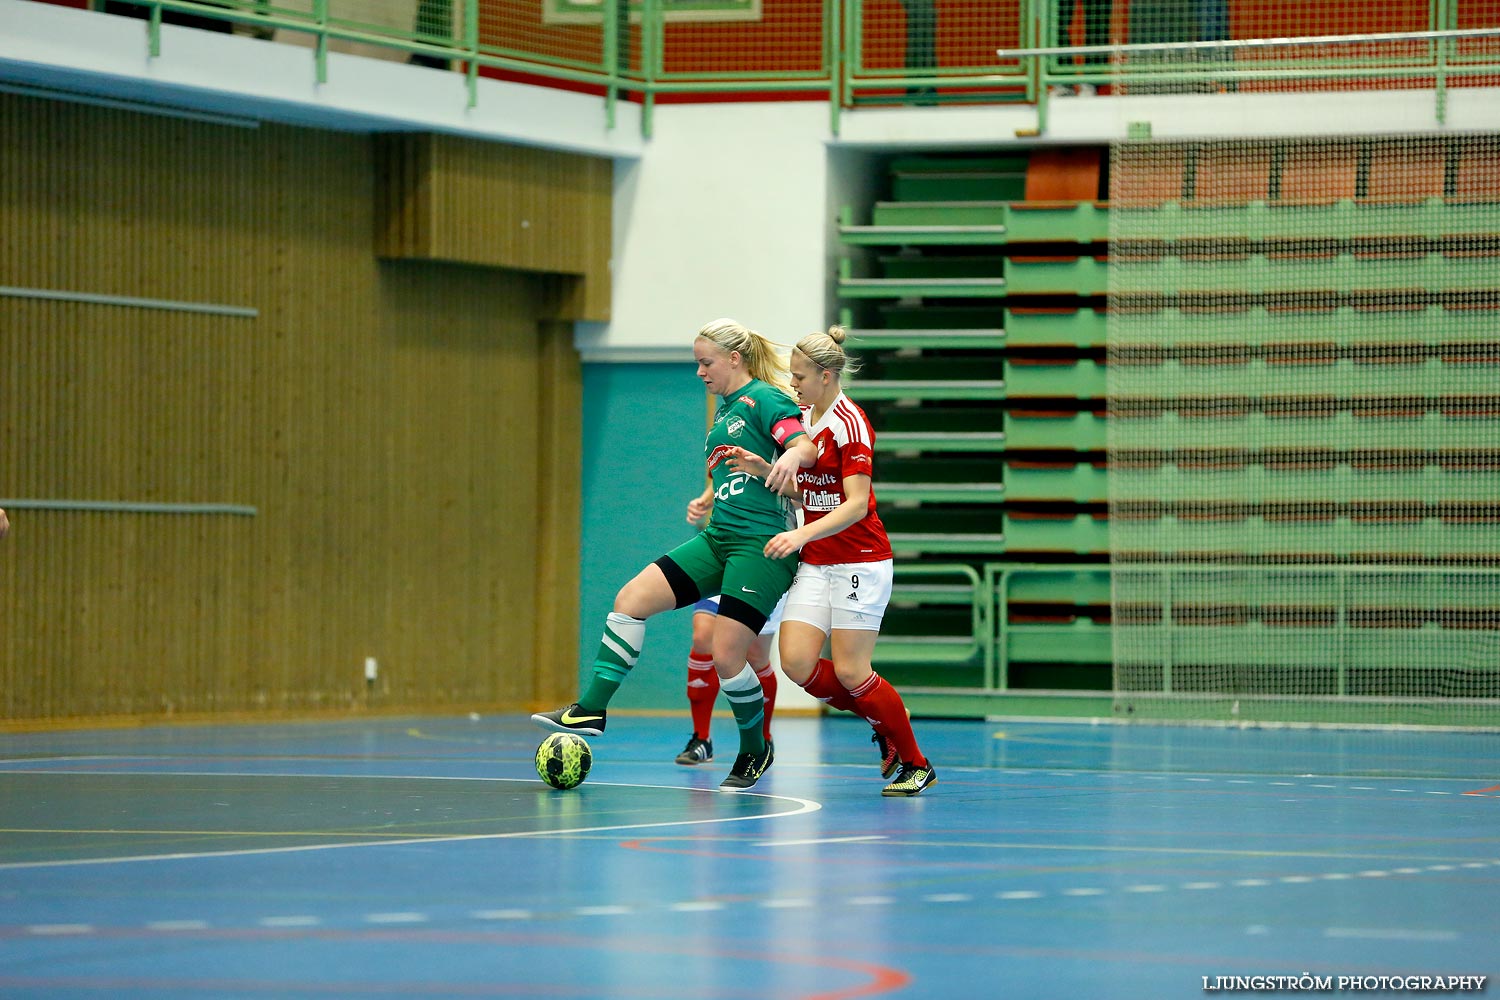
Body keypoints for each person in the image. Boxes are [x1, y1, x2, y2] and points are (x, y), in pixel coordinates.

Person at [534, 318, 816, 791]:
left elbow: (801, 445)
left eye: (705, 363)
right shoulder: (723, 414)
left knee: (727, 654)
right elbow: (736, 468)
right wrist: (710, 494)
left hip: (761, 545)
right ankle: (591, 710)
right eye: (696, 364)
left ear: (733, 358)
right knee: (630, 599)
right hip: (719, 536)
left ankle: (754, 749)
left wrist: (794, 453)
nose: (700, 373)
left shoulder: (766, 398)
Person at [727, 325, 936, 796]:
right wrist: (766, 470)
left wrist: (799, 532)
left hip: (860, 561)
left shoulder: (852, 424)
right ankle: (882, 719)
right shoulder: (804, 417)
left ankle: (917, 763)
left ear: (825, 375)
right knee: (799, 665)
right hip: (818, 562)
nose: (794, 383)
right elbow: (816, 493)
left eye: (800, 376)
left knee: (851, 672)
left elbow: (856, 504)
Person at [676, 593, 783, 766]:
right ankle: (702, 738)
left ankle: (762, 740)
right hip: (723, 570)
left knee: (756, 657)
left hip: (762, 576)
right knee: (702, 638)